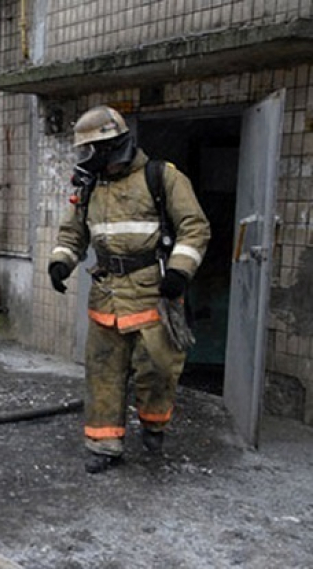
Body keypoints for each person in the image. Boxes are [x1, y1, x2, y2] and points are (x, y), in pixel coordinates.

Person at [48, 106, 210, 474]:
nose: (86, 159)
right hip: (106, 291)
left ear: (112, 146)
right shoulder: (89, 186)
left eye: (92, 150)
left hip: (154, 291)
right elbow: (73, 232)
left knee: (157, 367)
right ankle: (104, 444)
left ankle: (154, 426)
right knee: (103, 370)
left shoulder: (162, 177)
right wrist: (61, 262)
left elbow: (194, 228)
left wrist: (181, 272)